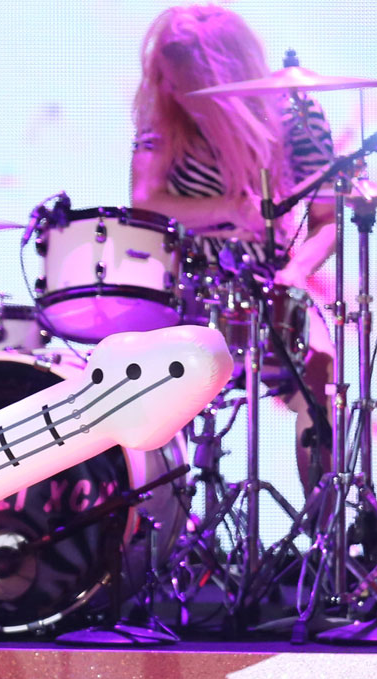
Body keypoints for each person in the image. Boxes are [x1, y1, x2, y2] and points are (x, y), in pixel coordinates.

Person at [129, 4, 340, 496]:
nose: (172, 91)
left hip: (270, 286)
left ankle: (327, 542)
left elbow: (331, 220)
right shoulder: (164, 116)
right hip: (186, 292)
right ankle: (163, 534)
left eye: (183, 81)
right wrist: (231, 208)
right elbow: (144, 203)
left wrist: (297, 271)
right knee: (148, 388)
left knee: (323, 376)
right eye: (166, 79)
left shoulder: (295, 110)